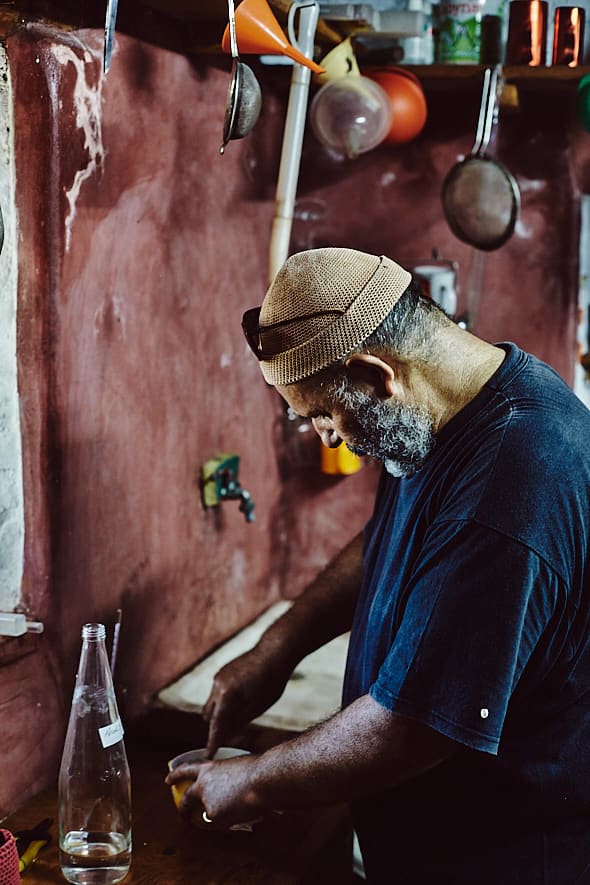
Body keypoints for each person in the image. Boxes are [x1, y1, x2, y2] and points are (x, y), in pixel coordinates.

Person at [166, 247, 590, 884]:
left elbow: (413, 727)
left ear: (375, 372)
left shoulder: (514, 483)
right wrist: (278, 649)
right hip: (431, 841)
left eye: (323, 414)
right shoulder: (448, 407)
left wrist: (253, 782)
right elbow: (385, 541)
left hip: (505, 855)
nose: (327, 438)